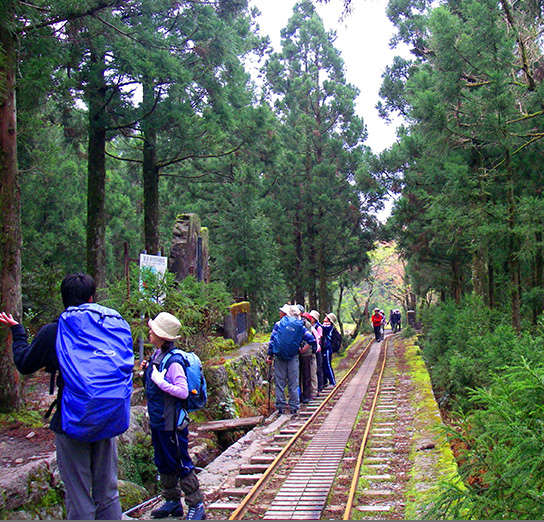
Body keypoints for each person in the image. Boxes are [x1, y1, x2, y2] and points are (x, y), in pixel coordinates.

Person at [0, 273, 125, 520]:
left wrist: (18, 332)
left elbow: (25, 363)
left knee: (78, 494)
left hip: (72, 419)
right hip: (109, 415)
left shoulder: (54, 332)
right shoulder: (108, 327)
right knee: (108, 491)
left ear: (64, 300)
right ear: (91, 298)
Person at [141, 312, 206, 520]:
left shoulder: (174, 360)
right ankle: (171, 501)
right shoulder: (157, 355)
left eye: (153, 331)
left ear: (162, 336)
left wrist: (161, 382)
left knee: (180, 461)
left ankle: (196, 504)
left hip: (172, 422)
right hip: (159, 419)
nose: (149, 333)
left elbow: (182, 391)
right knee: (162, 460)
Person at [267, 305, 316, 416]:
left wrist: (270, 355)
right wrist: (302, 349)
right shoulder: (300, 326)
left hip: (279, 357)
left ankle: (281, 408)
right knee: (293, 383)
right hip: (293, 357)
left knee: (280, 383)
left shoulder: (278, 324)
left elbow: (272, 341)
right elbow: (312, 340)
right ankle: (294, 407)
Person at [308, 310, 324, 394]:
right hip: (314, 349)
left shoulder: (318, 327)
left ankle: (320, 387)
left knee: (318, 368)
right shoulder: (309, 326)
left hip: (317, 350)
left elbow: (319, 338)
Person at [321, 313, 337, 388]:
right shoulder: (325, 326)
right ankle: (325, 381)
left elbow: (321, 328)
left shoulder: (328, 327)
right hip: (324, 347)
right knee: (324, 365)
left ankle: (332, 382)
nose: (325, 318)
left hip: (327, 347)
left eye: (327, 317)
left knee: (327, 365)